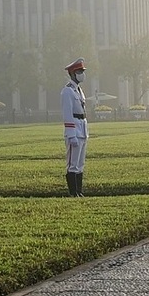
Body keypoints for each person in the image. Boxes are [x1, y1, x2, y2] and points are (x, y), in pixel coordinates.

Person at [60, 58, 89, 196]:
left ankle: (79, 191)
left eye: (82, 71)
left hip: (82, 129)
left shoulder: (78, 90)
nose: (82, 74)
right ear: (72, 73)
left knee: (80, 163)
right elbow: (68, 114)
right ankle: (73, 193)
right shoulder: (67, 91)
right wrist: (71, 134)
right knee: (72, 164)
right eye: (79, 71)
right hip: (74, 130)